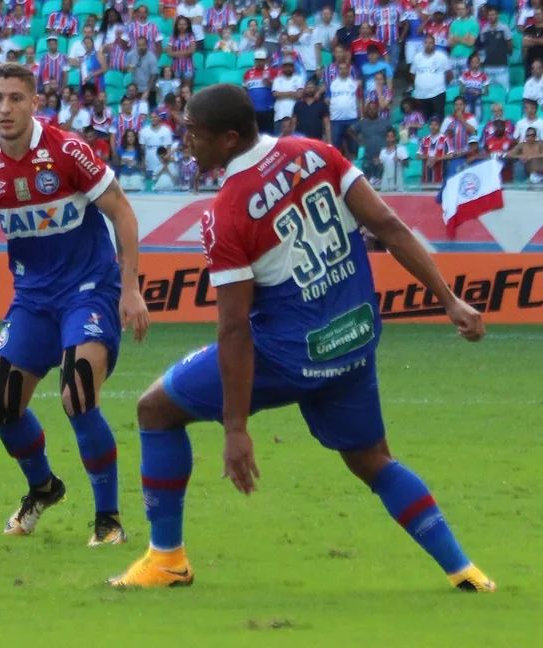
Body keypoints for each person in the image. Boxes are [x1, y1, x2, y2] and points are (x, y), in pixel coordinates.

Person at [107, 83, 494, 594]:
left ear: (228, 138)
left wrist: (236, 428)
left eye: (193, 134)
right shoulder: (317, 153)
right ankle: (464, 570)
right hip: (352, 342)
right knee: (372, 459)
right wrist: (449, 299)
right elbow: (389, 224)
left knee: (154, 410)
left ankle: (166, 559)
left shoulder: (226, 214)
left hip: (285, 357)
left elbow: (234, 327)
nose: (187, 144)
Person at [0, 63, 149, 546]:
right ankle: (43, 488)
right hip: (32, 299)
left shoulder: (69, 150)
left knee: (78, 394)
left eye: (15, 98)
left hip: (89, 290)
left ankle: (108, 519)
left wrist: (130, 289)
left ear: (35, 103)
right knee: (2, 407)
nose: (5, 108)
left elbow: (123, 212)